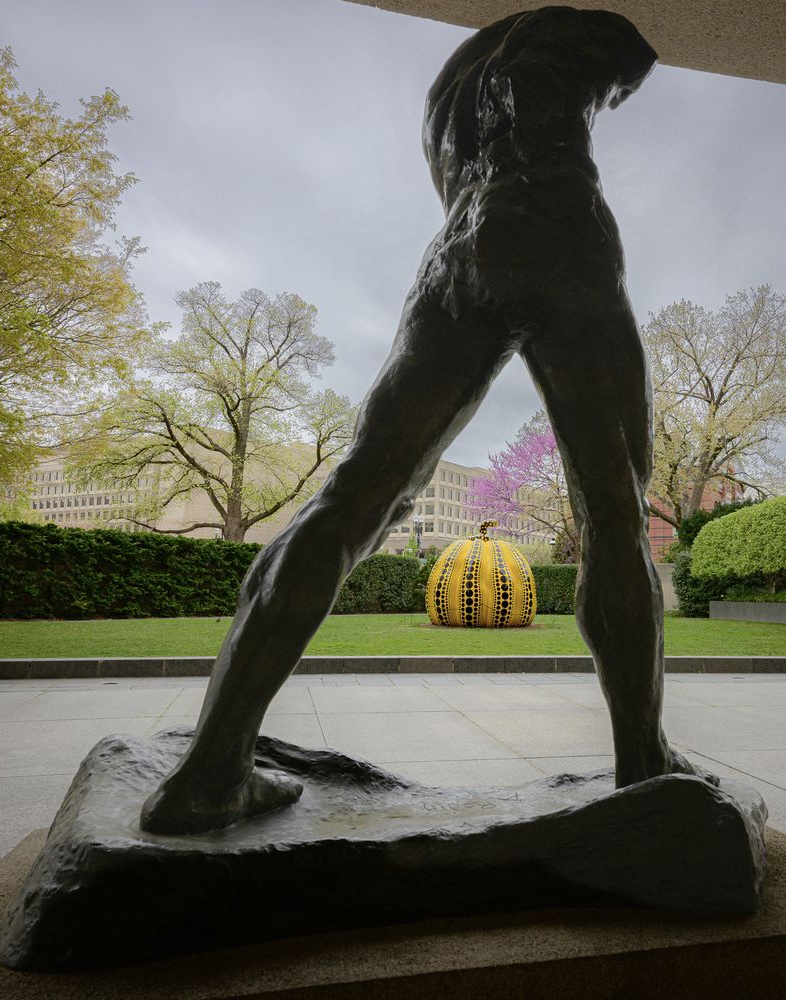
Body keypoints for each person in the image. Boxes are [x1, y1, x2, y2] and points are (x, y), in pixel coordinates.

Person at [141, 7, 711, 835]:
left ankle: (212, 768)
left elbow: (494, 113)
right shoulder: (572, 39)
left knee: (351, 497)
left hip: (458, 250)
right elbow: (618, 57)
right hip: (555, 226)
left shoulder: (455, 78)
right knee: (615, 510)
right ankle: (643, 767)